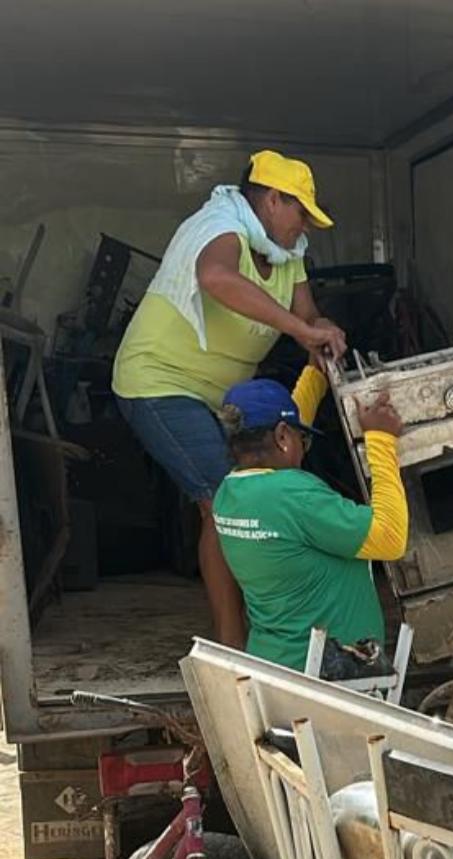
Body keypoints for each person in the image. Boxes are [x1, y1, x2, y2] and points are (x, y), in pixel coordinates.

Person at [112, 149, 346, 649]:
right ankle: (232, 646)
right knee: (224, 501)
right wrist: (299, 330)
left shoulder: (288, 252)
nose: (304, 226)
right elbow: (215, 278)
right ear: (272, 199)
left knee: (251, 491)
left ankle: (260, 629)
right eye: (300, 212)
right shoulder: (220, 225)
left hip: (218, 397)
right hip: (158, 382)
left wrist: (322, 330)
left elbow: (308, 312)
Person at [212, 365, 408, 671]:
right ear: (282, 436)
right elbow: (390, 538)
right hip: (326, 673)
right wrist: (381, 440)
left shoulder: (229, 492)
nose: (303, 451)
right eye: (303, 440)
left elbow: (286, 422)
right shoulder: (294, 494)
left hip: (273, 664)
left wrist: (316, 373)